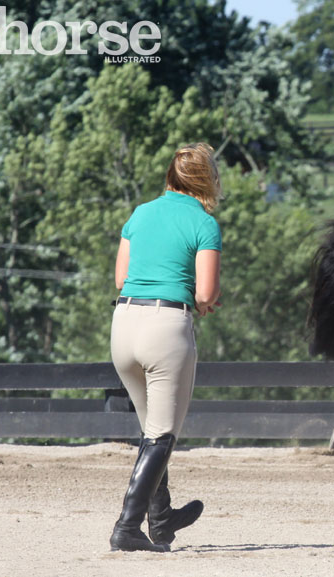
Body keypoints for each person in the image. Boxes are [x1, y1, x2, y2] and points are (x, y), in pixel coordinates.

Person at [108, 143, 223, 552]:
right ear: (207, 179)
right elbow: (206, 292)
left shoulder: (140, 213)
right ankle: (127, 527)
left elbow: (121, 278)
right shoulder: (203, 223)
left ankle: (161, 518)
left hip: (123, 325)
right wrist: (205, 301)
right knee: (162, 434)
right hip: (165, 328)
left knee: (151, 430)